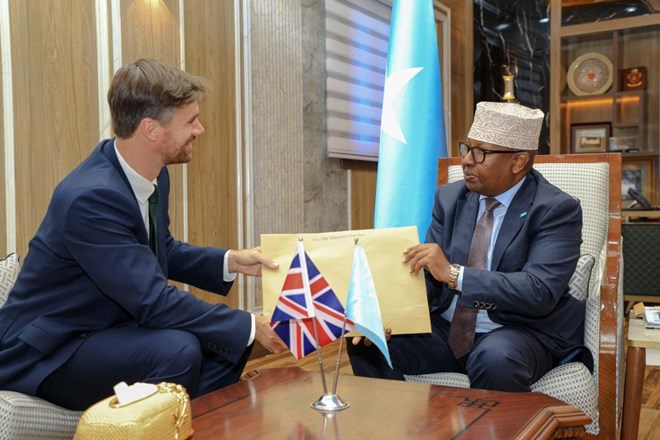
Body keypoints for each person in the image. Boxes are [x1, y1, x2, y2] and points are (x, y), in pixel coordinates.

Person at [0, 59, 287, 410]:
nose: (200, 129)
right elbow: (152, 301)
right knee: (179, 349)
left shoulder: (152, 174)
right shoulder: (92, 198)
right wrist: (247, 324)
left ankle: (193, 424)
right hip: (51, 351)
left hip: (105, 329)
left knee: (224, 341)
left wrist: (230, 261)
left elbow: (160, 249)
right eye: (190, 121)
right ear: (151, 129)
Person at [347, 102, 593, 391]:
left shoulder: (555, 209)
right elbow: (428, 276)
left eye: (480, 153)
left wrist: (455, 275)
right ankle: (403, 418)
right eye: (467, 148)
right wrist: (389, 314)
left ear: (518, 162)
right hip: (448, 330)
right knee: (367, 341)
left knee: (496, 359)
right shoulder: (450, 198)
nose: (466, 161)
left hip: (518, 330)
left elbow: (539, 291)